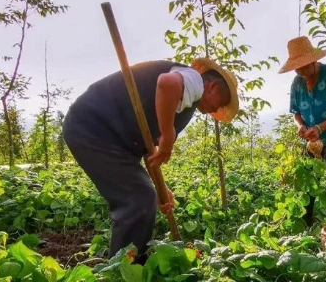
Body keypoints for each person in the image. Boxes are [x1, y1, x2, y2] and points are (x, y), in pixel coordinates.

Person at [62, 58, 239, 263]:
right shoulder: (194, 80)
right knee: (139, 199)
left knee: (146, 195)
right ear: (213, 86)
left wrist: (161, 189)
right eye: (221, 102)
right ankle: (124, 272)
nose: (216, 110)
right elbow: (166, 83)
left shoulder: (183, 100)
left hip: (104, 135)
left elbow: (148, 149)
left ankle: (131, 266)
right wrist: (167, 134)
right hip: (94, 127)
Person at [278, 36, 326, 226]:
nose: (302, 72)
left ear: (313, 61)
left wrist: (320, 128)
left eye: (305, 66)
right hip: (311, 143)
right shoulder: (297, 83)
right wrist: (301, 127)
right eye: (298, 68)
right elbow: (296, 113)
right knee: (307, 182)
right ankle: (307, 225)